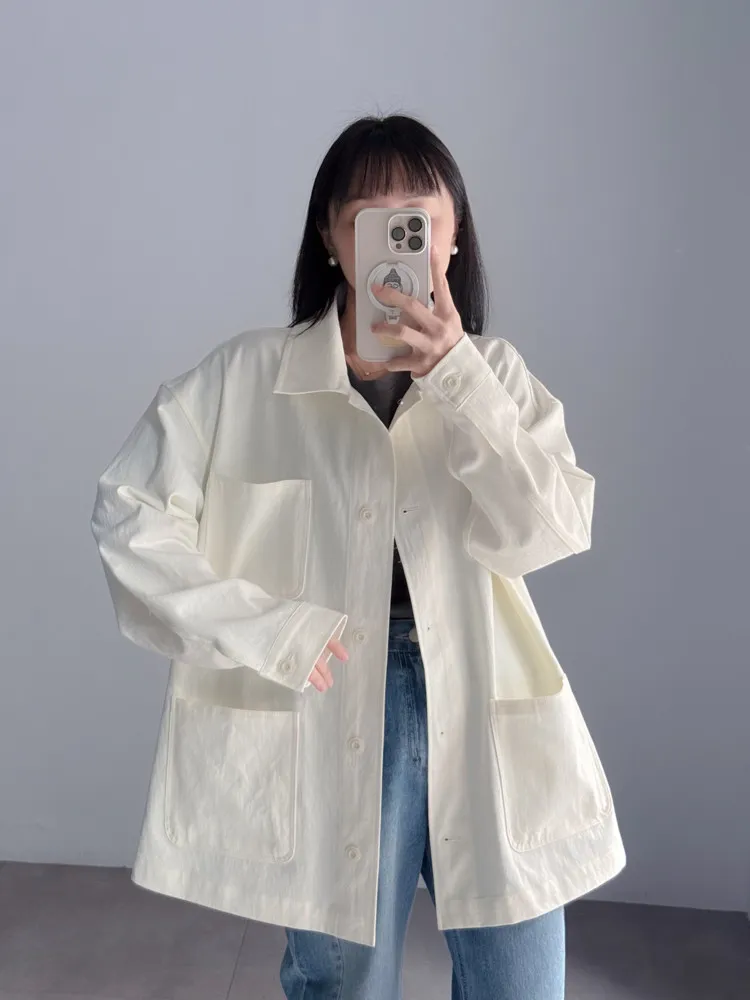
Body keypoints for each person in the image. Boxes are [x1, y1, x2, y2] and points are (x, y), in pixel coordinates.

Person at [91, 114, 625, 1000]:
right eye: (368, 218)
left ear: (452, 239)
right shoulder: (243, 379)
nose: (394, 239)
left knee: (522, 986)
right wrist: (267, 627)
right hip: (331, 686)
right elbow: (127, 514)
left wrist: (456, 378)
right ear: (331, 239)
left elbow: (552, 528)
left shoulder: (497, 378)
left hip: (482, 699)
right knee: (348, 988)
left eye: (418, 218)